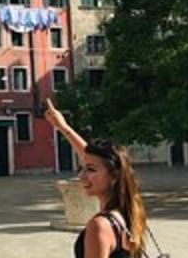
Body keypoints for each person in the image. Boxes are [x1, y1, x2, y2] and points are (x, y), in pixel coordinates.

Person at [44, 99, 147, 258]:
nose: (81, 176)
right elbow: (92, 157)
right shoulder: (130, 212)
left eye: (90, 170)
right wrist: (62, 127)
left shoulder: (99, 226)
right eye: (82, 169)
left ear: (114, 175)